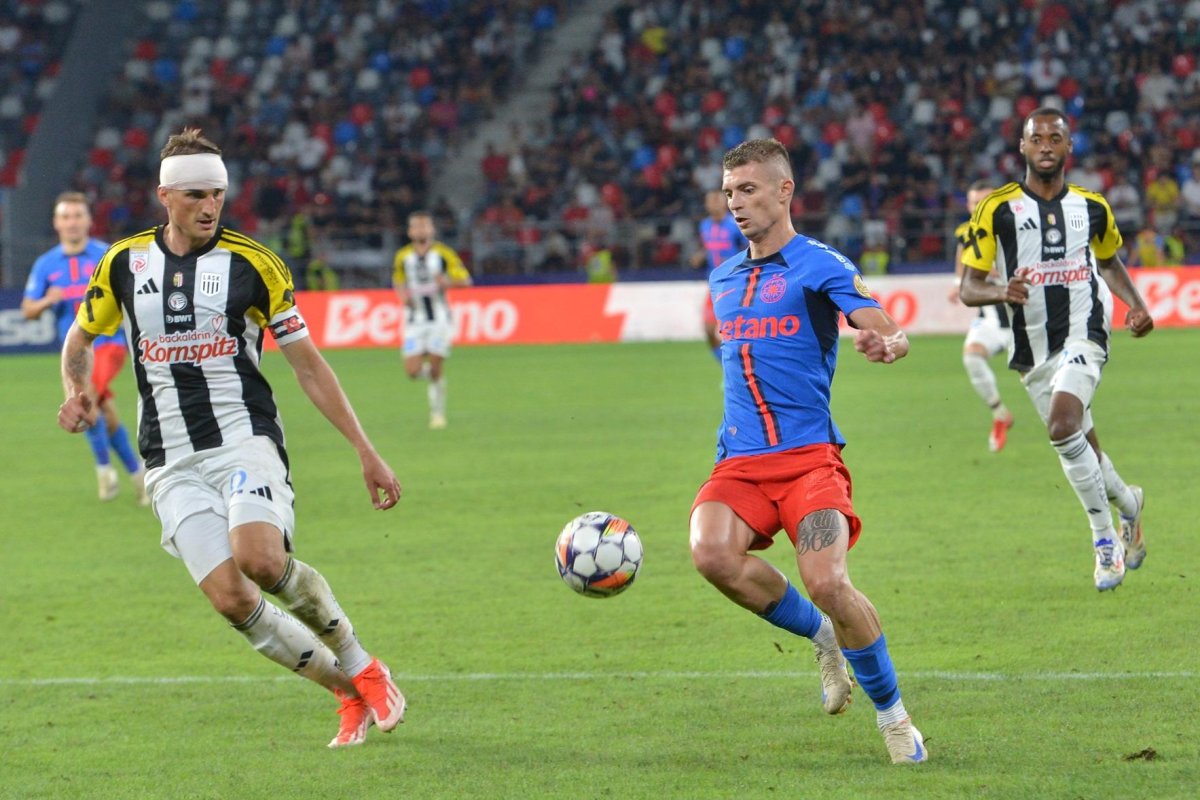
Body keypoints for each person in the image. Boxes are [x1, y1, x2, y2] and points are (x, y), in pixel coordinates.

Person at [57, 129, 406, 748]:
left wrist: (365, 450)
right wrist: (76, 392)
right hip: (168, 458)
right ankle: (343, 692)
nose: (210, 206)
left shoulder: (255, 263)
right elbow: (80, 339)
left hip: (244, 438)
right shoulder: (123, 262)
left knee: (260, 559)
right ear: (165, 195)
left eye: (217, 193)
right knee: (230, 599)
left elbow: (308, 365)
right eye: (195, 194)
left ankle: (362, 663)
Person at [690, 138, 926, 765]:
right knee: (710, 555)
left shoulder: (819, 263)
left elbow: (878, 319)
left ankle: (895, 718)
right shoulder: (722, 276)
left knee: (827, 579)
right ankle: (823, 639)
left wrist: (890, 344)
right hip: (738, 461)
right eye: (729, 191)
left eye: (748, 190)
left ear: (784, 190)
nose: (735, 203)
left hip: (807, 461)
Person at [960, 108, 1153, 591]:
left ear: (1069, 148)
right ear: (1022, 148)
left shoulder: (1092, 206)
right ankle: (1129, 504)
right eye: (1036, 138)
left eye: (1055, 138)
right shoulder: (996, 209)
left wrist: (1137, 304)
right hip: (1031, 346)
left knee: (1062, 424)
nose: (1045, 145)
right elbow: (969, 287)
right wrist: (1003, 291)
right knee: (1079, 440)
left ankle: (1104, 540)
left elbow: (1109, 263)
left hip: (1086, 329)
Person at [22, 191, 147, 504]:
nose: (72, 223)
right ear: (56, 223)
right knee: (103, 408)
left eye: (78, 216)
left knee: (85, 399)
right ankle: (138, 474)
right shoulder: (45, 264)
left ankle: (104, 470)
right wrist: (46, 301)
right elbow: (27, 309)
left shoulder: (108, 255)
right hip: (73, 354)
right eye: (66, 217)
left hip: (109, 346)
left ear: (89, 220)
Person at [948, 180, 1015, 452]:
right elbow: (962, 261)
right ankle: (1000, 413)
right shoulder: (967, 232)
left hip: (1026, 321)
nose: (979, 208)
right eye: (975, 203)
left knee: (1039, 382)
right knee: (972, 356)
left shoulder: (1018, 229)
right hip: (992, 320)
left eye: (985, 202)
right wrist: (957, 284)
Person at [392, 210, 472, 429]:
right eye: (416, 226)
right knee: (412, 372)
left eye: (424, 226)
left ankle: (437, 414)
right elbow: (398, 281)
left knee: (436, 362)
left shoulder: (444, 254)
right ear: (409, 232)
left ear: (432, 229)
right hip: (414, 320)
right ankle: (436, 378)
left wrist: (447, 282)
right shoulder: (402, 256)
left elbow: (465, 280)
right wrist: (402, 297)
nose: (420, 230)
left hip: (439, 319)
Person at [692, 188, 749, 361]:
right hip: (714, 284)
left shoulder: (735, 225)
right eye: (711, 200)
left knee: (736, 332)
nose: (714, 204)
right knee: (709, 331)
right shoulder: (705, 225)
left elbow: (750, 249)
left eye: (718, 200)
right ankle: (726, 368)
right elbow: (709, 247)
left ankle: (741, 370)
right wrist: (700, 255)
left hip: (735, 284)